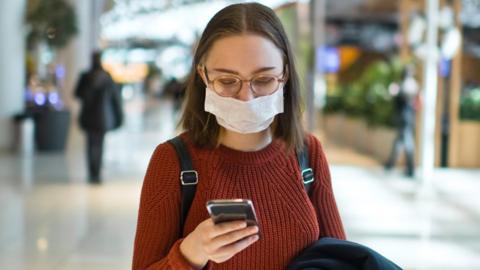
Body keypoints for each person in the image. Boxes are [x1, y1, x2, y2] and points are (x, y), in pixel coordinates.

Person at [132, 3, 345, 269]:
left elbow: (341, 259)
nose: (247, 97)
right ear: (203, 75)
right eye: (228, 81)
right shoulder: (173, 162)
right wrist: (191, 252)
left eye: (264, 79)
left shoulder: (307, 153)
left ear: (285, 75)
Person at [75, 51, 123, 184]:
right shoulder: (107, 77)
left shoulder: (85, 76)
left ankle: (92, 172)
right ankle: (97, 173)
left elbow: (77, 94)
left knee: (90, 144)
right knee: (100, 145)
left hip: (88, 116)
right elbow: (116, 99)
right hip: (103, 116)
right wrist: (119, 116)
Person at [385, 64, 419, 178]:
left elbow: (405, 97)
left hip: (406, 117)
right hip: (406, 117)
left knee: (406, 142)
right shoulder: (409, 84)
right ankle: (392, 164)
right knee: (400, 141)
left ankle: (410, 168)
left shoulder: (408, 84)